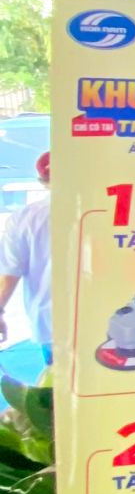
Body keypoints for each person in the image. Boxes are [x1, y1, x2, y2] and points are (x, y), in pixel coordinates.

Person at [0, 152, 50, 354]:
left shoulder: (24, 219)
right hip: (101, 317)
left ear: (42, 181)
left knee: (58, 372)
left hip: (49, 321)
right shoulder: (106, 212)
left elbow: (10, 274)